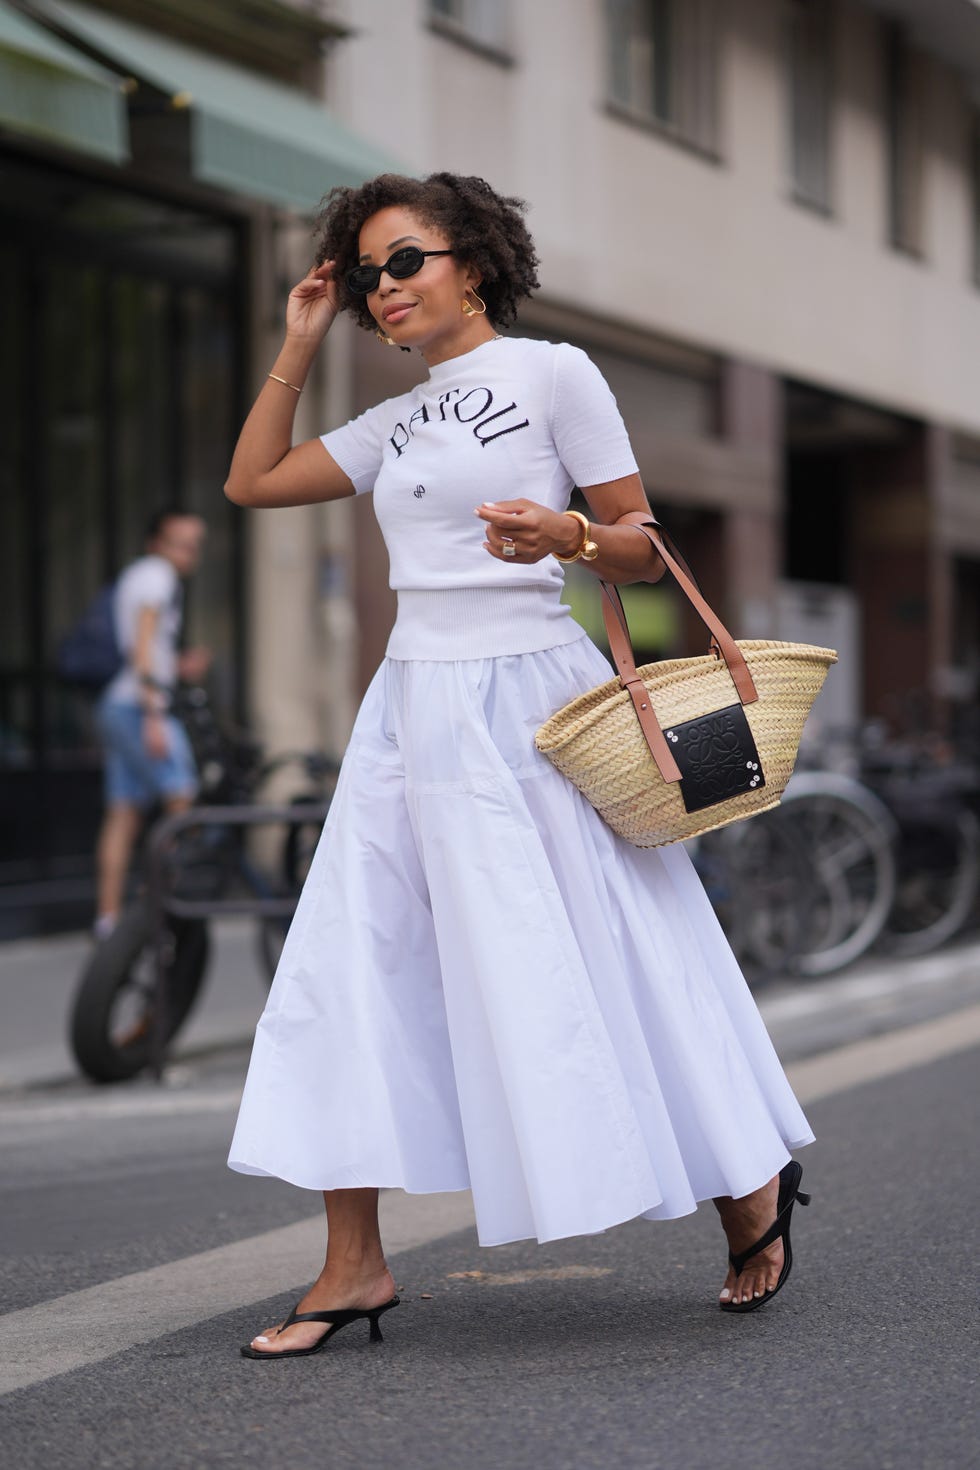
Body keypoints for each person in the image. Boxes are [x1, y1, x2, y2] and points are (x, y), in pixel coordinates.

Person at [225, 172, 814, 1359]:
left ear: (473, 264)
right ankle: (353, 1263)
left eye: (408, 262)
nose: (385, 288)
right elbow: (252, 482)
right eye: (368, 272)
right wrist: (294, 342)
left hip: (530, 701)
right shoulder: (394, 421)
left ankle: (746, 1190)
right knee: (361, 956)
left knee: (611, 947)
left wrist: (569, 537)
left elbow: (642, 549)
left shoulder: (555, 375)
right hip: (408, 708)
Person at [93, 507, 209, 939]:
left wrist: (177, 667)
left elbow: (145, 649)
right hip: (139, 709)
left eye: (195, 544)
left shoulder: (138, 575)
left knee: (124, 813)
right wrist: (154, 714)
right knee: (181, 801)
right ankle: (156, 910)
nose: (188, 552)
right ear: (157, 543)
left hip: (121, 703)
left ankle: (108, 922)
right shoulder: (159, 577)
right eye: (181, 542)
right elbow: (143, 644)